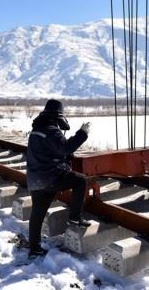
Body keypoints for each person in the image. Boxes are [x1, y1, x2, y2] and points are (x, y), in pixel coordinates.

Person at [26, 99, 91, 258]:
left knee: (37, 215)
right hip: (50, 178)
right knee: (81, 180)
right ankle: (75, 218)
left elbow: (50, 150)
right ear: (58, 116)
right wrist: (82, 133)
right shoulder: (52, 131)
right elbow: (66, 148)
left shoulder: (36, 131)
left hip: (35, 180)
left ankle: (34, 249)